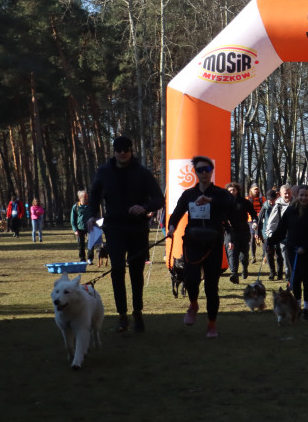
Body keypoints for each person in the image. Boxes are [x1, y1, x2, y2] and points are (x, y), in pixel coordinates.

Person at [88, 135, 165, 333]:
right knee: (117, 271)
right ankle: (122, 316)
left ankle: (137, 313)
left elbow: (159, 199)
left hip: (138, 228)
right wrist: (91, 216)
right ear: (114, 151)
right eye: (119, 150)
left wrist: (144, 206)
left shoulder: (142, 173)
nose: (122, 153)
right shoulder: (104, 172)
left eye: (126, 150)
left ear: (131, 151)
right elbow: (94, 196)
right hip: (114, 228)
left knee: (136, 273)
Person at [167, 156, 235, 338]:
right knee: (191, 279)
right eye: (200, 170)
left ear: (211, 171)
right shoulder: (188, 194)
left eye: (207, 169)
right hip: (192, 242)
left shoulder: (220, 193)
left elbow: (232, 207)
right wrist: (171, 227)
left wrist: (211, 201)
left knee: (212, 287)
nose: (203, 173)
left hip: (213, 243)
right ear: (195, 173)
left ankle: (211, 324)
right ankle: (193, 303)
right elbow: (177, 213)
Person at [268, 185, 308, 314]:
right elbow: (282, 229)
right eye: (301, 195)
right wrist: (270, 242)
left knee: (307, 277)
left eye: (306, 195)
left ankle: (306, 306)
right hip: (292, 248)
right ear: (297, 196)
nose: (303, 198)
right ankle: (297, 306)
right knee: (296, 276)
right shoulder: (291, 209)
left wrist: (306, 247)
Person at [224, 182, 254, 284]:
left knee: (244, 254)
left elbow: (253, 213)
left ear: (237, 191)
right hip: (230, 231)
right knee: (232, 252)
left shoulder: (244, 202)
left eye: (234, 190)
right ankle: (234, 274)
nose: (232, 192)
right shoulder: (225, 203)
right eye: (230, 191)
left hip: (243, 230)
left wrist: (254, 221)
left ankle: (245, 267)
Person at [265, 184, 292, 280]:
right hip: (284, 235)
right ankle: (289, 277)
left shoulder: (297, 203)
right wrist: (270, 234)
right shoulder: (278, 205)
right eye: (285, 194)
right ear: (280, 194)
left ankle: (295, 275)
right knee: (286, 256)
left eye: (289, 193)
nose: (287, 195)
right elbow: (271, 222)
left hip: (295, 235)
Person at [71, 190, 96, 264]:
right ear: (80, 197)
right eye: (84, 197)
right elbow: (72, 219)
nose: (86, 198)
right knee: (81, 244)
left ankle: (90, 259)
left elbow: (95, 215)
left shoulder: (91, 205)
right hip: (80, 228)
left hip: (90, 227)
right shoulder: (75, 207)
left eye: (87, 196)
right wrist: (75, 230)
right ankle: (82, 259)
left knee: (91, 243)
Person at [247, 184, 264, 263]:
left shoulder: (262, 198)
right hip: (251, 220)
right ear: (251, 190)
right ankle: (253, 256)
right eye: (255, 189)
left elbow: (264, 208)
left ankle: (265, 256)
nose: (256, 190)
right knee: (252, 238)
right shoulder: (247, 199)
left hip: (261, 220)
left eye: (257, 189)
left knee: (263, 237)